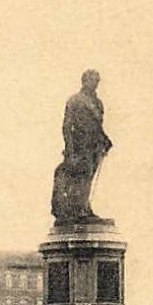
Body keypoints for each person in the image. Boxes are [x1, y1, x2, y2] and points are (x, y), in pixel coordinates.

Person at [50, 69, 113, 224]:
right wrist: (69, 148)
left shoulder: (98, 103)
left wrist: (105, 139)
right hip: (79, 145)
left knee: (88, 177)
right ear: (84, 81)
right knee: (79, 176)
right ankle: (76, 209)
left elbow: (97, 126)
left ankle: (84, 207)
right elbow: (67, 125)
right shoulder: (75, 100)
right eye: (92, 80)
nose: (95, 84)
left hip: (94, 146)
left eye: (97, 81)